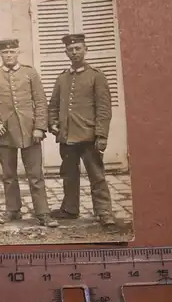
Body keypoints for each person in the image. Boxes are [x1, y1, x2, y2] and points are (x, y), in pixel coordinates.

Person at [0, 38, 59, 228]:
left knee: (35, 175)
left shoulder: (30, 73)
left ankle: (42, 213)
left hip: (30, 132)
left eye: (12, 52)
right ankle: (13, 210)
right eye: (5, 53)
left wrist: (40, 127)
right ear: (0, 55)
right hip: (4, 133)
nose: (9, 55)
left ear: (17, 53)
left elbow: (41, 101)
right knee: (8, 175)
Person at [48, 33, 116, 227]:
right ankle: (70, 209)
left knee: (97, 175)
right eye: (70, 49)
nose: (74, 52)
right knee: (69, 174)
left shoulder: (96, 76)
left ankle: (104, 212)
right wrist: (53, 123)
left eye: (78, 48)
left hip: (89, 136)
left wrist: (102, 135)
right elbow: (53, 105)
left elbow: (104, 108)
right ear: (66, 52)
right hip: (67, 136)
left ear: (86, 49)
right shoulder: (62, 78)